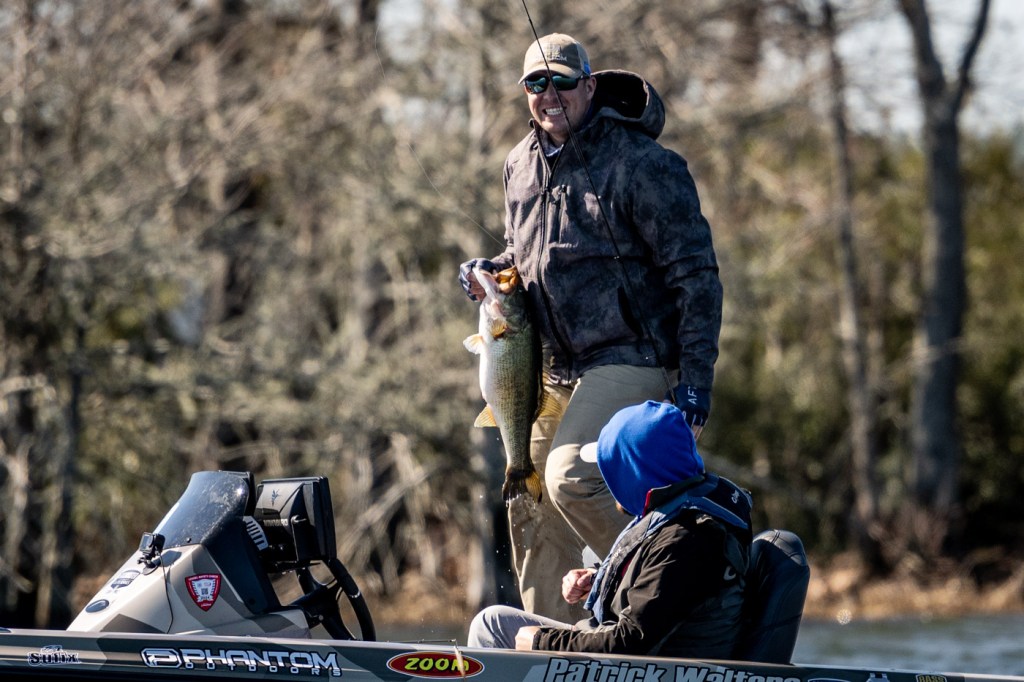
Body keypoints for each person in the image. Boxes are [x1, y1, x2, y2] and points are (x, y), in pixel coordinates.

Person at [458, 32, 723, 621]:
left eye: (562, 81)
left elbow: (697, 277)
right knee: (527, 497)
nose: (549, 94)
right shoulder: (518, 165)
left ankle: (687, 596)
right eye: (536, 83)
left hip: (635, 357)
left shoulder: (644, 165)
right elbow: (522, 256)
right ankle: (553, 641)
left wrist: (696, 383)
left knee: (570, 474)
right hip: (553, 368)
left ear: (590, 86)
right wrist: (489, 271)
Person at [467, 400, 752, 658]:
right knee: (492, 623)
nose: (606, 479)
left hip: (648, 668)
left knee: (492, 632)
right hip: (630, 655)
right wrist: (599, 579)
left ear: (636, 471)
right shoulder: (679, 518)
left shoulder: (686, 539)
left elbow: (630, 642)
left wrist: (543, 642)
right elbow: (660, 595)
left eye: (612, 468)